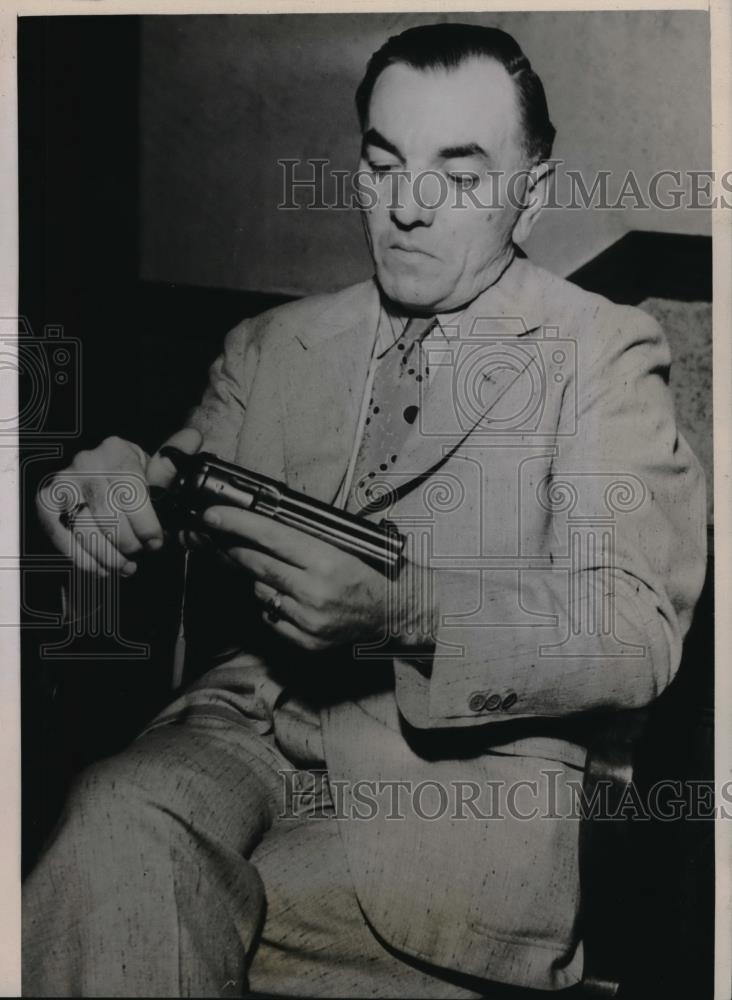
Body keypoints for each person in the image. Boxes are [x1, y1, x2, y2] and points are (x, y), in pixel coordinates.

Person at [23, 22, 706, 999]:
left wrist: (412, 610)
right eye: (384, 164)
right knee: (109, 826)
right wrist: (126, 476)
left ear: (534, 192)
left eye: (460, 174)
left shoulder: (599, 353)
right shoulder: (275, 340)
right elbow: (185, 472)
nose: (408, 209)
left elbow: (640, 628)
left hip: (457, 784)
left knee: (189, 911)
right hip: (238, 725)